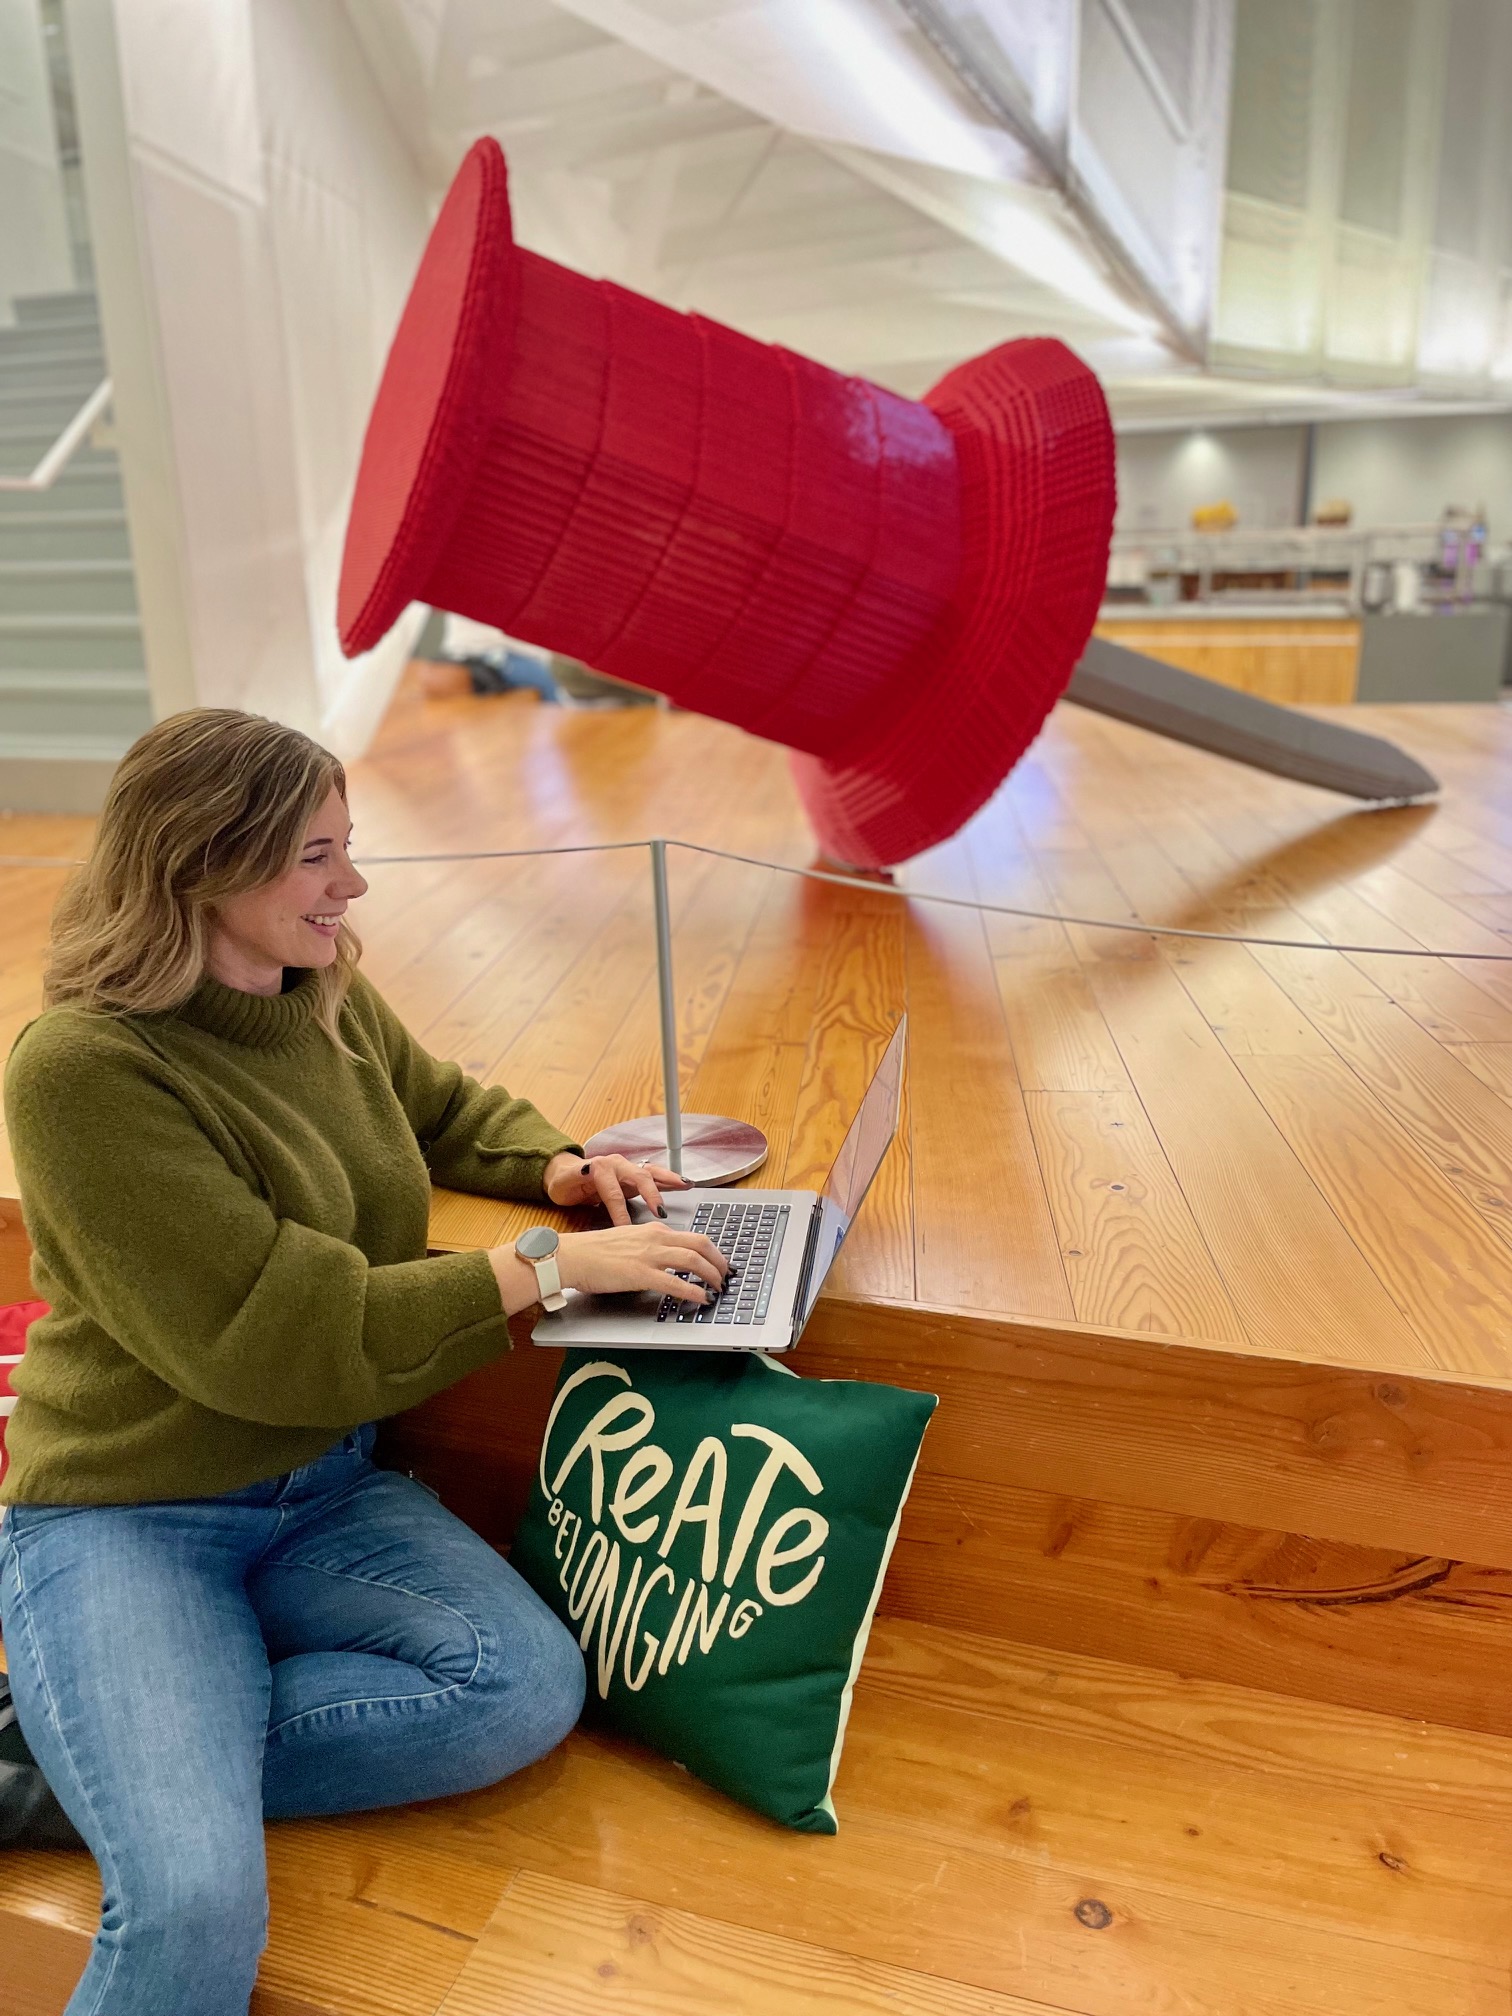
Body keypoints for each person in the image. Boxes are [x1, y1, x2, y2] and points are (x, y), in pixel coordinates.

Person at [0, 708, 730, 2016]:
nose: (353, 885)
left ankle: (71, 1760)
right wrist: (549, 1271)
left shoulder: (317, 986)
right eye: (317, 857)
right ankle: (125, 1761)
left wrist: (562, 1168)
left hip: (323, 1489)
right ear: (202, 866)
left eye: (349, 849)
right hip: (129, 1516)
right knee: (192, 1901)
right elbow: (284, 1336)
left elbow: (440, 1104)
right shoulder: (81, 1072)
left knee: (517, 1690)